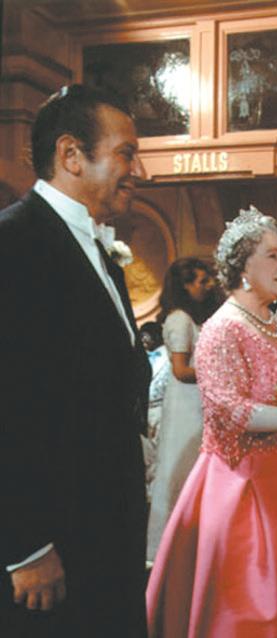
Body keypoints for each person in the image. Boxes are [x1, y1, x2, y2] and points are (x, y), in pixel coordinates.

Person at [146, 207, 277, 638]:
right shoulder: (222, 329)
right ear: (243, 268)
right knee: (257, 611)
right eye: (273, 255)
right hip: (245, 490)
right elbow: (227, 408)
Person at [0, 84, 151, 637]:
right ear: (71, 155)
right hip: (52, 544)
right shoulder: (13, 244)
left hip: (104, 529)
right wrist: (25, 545)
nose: (139, 171)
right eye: (127, 153)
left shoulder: (98, 251)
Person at [146, 257, 217, 561]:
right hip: (187, 404)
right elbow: (180, 370)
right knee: (185, 466)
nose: (208, 286)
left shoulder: (189, 318)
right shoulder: (179, 319)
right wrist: (219, 373)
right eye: (202, 281)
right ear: (185, 286)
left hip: (196, 401)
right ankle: (175, 546)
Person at [139, 321, 171, 502]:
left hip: (160, 409)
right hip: (144, 410)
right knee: (147, 452)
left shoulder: (168, 357)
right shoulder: (140, 356)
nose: (144, 340)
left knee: (160, 447)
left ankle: (157, 489)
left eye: (147, 336)